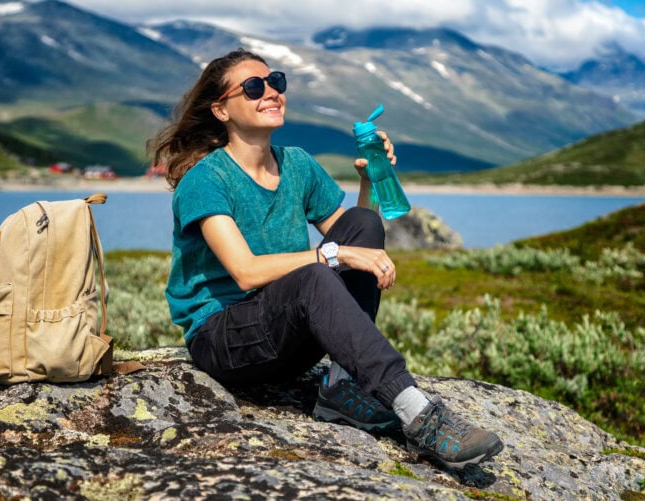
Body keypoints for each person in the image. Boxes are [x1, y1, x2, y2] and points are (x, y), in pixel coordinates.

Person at [150, 48, 503, 470]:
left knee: (362, 224)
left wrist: (369, 184)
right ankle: (420, 416)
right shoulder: (206, 179)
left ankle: (340, 387)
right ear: (221, 109)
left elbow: (355, 240)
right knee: (315, 273)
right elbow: (245, 273)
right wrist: (331, 255)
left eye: (276, 82)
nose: (271, 92)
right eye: (253, 87)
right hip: (224, 342)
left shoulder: (296, 163)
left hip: (285, 334)